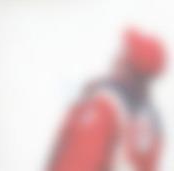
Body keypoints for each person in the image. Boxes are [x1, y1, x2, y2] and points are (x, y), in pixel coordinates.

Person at [48, 29, 165, 171]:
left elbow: (77, 164)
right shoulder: (152, 123)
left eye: (124, 54)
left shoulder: (105, 107)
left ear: (129, 67)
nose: (116, 57)